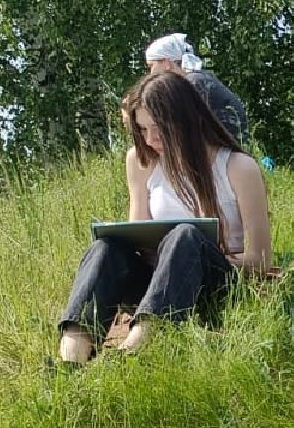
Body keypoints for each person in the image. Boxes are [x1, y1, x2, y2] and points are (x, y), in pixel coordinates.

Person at [55, 71, 272, 363]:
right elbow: (137, 232)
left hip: (214, 282)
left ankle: (133, 353)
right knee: (105, 248)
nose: (150, 139)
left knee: (185, 236)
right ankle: (71, 360)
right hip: (155, 281)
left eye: (158, 128)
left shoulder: (238, 168)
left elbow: (260, 259)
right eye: (142, 130)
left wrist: (191, 255)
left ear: (185, 120)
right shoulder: (141, 161)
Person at [144, 32, 250, 143]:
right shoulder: (199, 78)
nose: (150, 73)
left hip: (222, 151)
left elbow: (179, 127)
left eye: (151, 65)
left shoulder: (192, 83)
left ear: (166, 63)